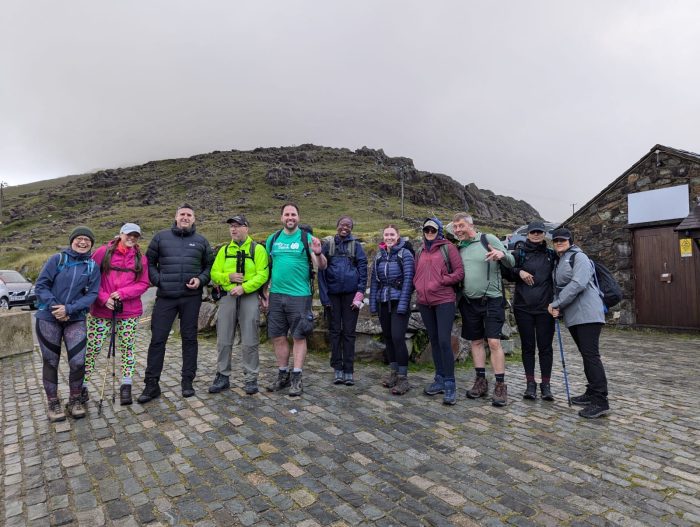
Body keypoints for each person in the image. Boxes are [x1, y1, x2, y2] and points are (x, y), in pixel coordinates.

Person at [138, 204, 213, 403]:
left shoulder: (201, 241)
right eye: (182, 214)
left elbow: (209, 266)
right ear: (176, 216)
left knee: (189, 339)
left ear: (194, 219)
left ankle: (187, 381)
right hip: (165, 298)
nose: (185, 217)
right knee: (158, 340)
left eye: (189, 215)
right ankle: (151, 384)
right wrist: (158, 280)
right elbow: (149, 262)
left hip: (191, 298)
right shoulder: (161, 237)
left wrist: (201, 280)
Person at [34, 226, 101, 421]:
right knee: (50, 361)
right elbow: (41, 285)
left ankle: (75, 399)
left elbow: (92, 294)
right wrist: (57, 307)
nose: (83, 242)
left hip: (75, 318)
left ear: (91, 244)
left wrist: (69, 309)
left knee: (78, 361)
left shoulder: (92, 266)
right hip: (48, 317)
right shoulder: (58, 259)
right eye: (79, 238)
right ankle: (53, 403)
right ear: (71, 241)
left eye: (87, 240)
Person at [82, 223, 150, 406]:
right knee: (92, 349)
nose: (132, 238)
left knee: (128, 348)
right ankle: (82, 385)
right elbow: (90, 278)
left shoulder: (140, 259)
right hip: (102, 311)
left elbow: (143, 283)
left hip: (128, 312)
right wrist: (104, 298)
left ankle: (126, 386)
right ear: (120, 234)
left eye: (135, 235)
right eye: (128, 234)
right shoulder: (103, 252)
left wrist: (123, 293)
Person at [451, 213, 515, 406]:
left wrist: (501, 254)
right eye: (455, 227)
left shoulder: (488, 239)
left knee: (494, 342)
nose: (457, 230)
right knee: (476, 341)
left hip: (492, 300)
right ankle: (480, 381)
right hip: (469, 302)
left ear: (471, 225)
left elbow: (511, 261)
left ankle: (501, 385)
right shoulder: (459, 248)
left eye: (461, 226)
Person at [263, 203, 327, 396]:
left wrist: (317, 252)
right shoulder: (272, 239)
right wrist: (264, 292)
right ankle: (283, 375)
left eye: (293, 214)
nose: (290, 217)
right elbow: (267, 267)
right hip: (276, 296)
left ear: (298, 217)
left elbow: (321, 266)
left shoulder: (306, 238)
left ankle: (297, 378)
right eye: (286, 214)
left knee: (299, 336)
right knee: (278, 336)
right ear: (281, 217)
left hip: (300, 296)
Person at [547, 228, 610, 419]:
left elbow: (578, 284)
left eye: (563, 240)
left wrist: (556, 304)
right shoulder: (561, 259)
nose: (559, 242)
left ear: (571, 241)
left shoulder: (579, 257)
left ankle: (600, 401)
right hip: (576, 316)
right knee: (586, 354)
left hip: (588, 314)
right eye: (556, 240)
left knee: (591, 356)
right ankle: (591, 392)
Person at [208, 215, 269, 396]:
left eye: (237, 226)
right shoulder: (224, 250)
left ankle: (251, 378)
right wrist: (228, 277)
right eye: (231, 227)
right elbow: (214, 273)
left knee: (250, 338)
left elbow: (262, 274)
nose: (233, 229)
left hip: (248, 297)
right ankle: (222, 376)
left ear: (246, 228)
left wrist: (244, 287)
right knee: (223, 339)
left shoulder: (257, 249)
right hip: (227, 297)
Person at [413, 218, 464, 405]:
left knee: (444, 340)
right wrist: (418, 286)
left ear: (439, 231)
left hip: (444, 300)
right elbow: (415, 274)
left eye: (433, 230)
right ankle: (439, 379)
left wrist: (441, 281)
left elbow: (459, 273)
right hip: (424, 302)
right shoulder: (419, 250)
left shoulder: (448, 248)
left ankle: (450, 383)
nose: (429, 232)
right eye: (426, 229)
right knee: (434, 340)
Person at [318, 216, 368, 386]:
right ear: (337, 226)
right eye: (342, 225)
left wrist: (360, 294)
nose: (344, 228)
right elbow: (321, 272)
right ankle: (337, 368)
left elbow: (363, 270)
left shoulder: (357, 247)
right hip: (332, 296)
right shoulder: (328, 245)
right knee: (334, 332)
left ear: (351, 228)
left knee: (349, 333)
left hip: (350, 296)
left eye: (348, 226)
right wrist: (324, 298)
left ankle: (348, 370)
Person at [509, 221, 556, 401]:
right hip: (523, 308)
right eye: (533, 232)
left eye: (539, 232)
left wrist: (557, 303)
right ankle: (530, 385)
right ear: (528, 234)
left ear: (544, 234)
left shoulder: (551, 255)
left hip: (546, 308)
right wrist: (519, 271)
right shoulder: (519, 253)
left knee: (545, 348)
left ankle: (546, 385)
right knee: (528, 347)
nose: (536, 235)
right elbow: (506, 270)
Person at [369, 224, 415, 395]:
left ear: (398, 236)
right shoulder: (379, 255)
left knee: (397, 337)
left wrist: (403, 304)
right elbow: (374, 281)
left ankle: (403, 379)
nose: (389, 237)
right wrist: (374, 304)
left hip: (398, 302)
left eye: (392, 234)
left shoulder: (406, 254)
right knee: (388, 337)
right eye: (386, 234)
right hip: (383, 301)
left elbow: (409, 281)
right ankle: (394, 373)